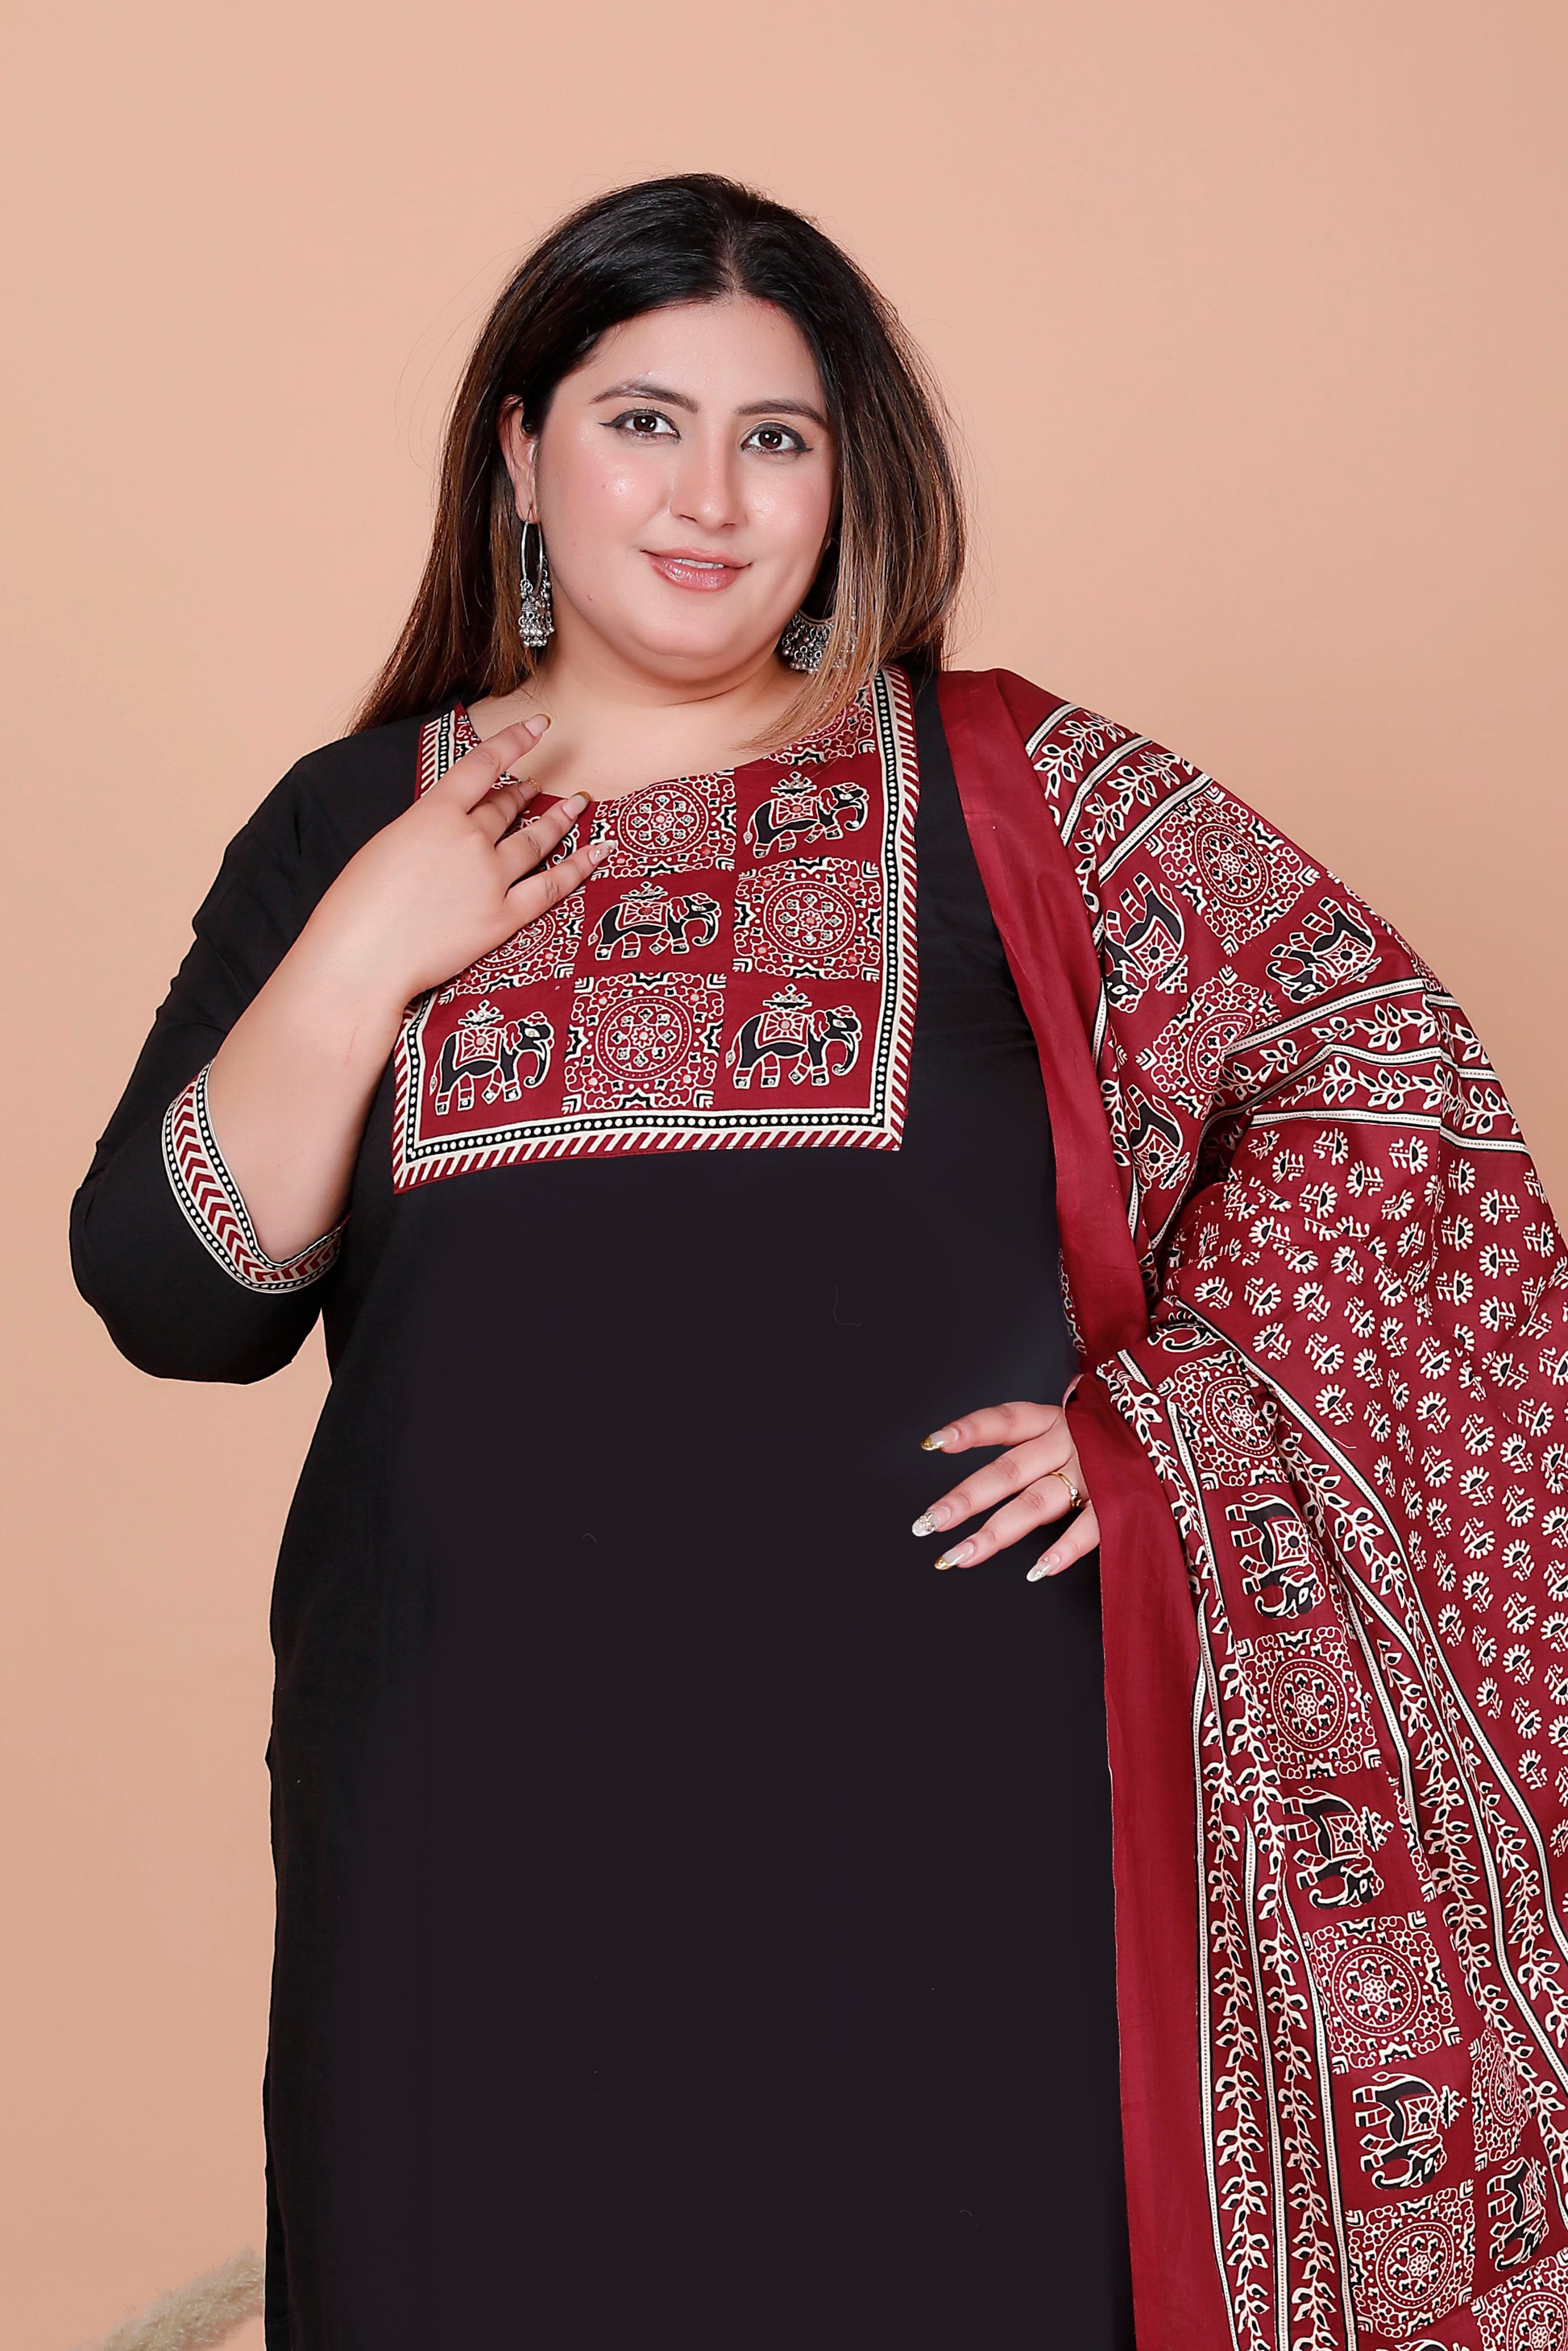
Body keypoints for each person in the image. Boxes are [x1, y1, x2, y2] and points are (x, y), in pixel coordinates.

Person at [71, 173, 1568, 2351]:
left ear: (846, 478)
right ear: (521, 453)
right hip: (471, 1830)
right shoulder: (353, 821)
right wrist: (360, 952)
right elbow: (176, 1298)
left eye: (773, 438)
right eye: (642, 423)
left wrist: (1175, 1428)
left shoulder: (1019, 803)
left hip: (943, 1819)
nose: (707, 499)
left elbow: (1379, 1086)